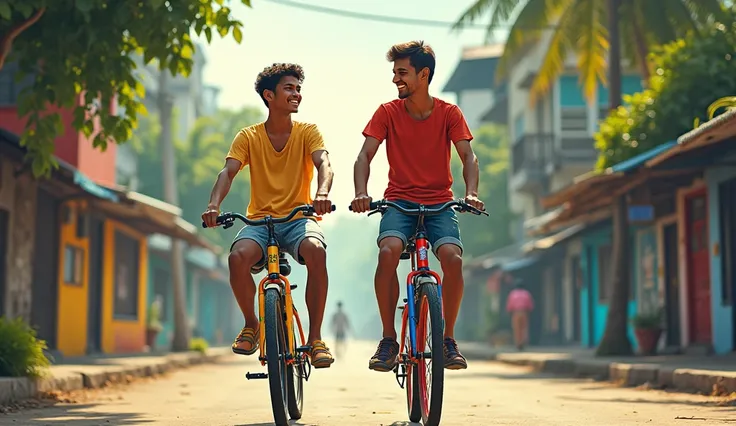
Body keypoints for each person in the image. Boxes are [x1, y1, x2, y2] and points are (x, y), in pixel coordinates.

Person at [350, 40, 485, 372]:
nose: (396, 79)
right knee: (388, 252)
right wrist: (361, 191)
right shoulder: (387, 113)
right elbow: (365, 156)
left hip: (440, 203)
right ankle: (388, 340)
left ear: (423, 75)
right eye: (395, 73)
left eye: (402, 73)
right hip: (399, 202)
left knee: (452, 259)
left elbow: (468, 156)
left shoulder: (449, 113)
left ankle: (448, 340)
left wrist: (471, 192)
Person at [201, 63, 336, 369]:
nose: (296, 94)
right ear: (269, 96)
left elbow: (324, 163)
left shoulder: (308, 132)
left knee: (316, 251)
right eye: (289, 88)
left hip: (299, 219)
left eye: (298, 89)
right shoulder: (248, 136)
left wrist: (323, 194)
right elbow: (228, 171)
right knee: (236, 258)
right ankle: (252, 324)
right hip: (259, 222)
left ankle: (315, 339)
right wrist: (213, 205)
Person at [505, 278, 534, 351]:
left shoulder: (512, 294)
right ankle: (523, 342)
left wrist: (509, 312)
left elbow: (509, 306)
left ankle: (518, 343)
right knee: (524, 328)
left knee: (517, 329)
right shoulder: (526, 294)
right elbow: (530, 305)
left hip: (516, 312)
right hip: (524, 312)